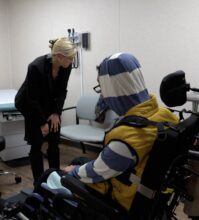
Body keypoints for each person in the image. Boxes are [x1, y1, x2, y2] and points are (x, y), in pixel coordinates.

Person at [61, 52, 179, 211]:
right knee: (78, 159)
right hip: (145, 190)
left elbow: (98, 170)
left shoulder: (126, 138)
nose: (102, 95)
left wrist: (73, 172)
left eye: (102, 88)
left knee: (52, 173)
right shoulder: (166, 116)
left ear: (113, 90)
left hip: (118, 199)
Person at [15, 37, 77, 186]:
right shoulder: (35, 67)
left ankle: (55, 178)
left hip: (49, 104)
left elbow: (62, 91)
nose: (72, 61)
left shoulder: (66, 66)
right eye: (71, 58)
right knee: (37, 143)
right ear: (60, 56)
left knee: (54, 142)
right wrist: (42, 122)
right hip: (29, 104)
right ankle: (39, 182)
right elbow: (32, 99)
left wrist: (56, 113)